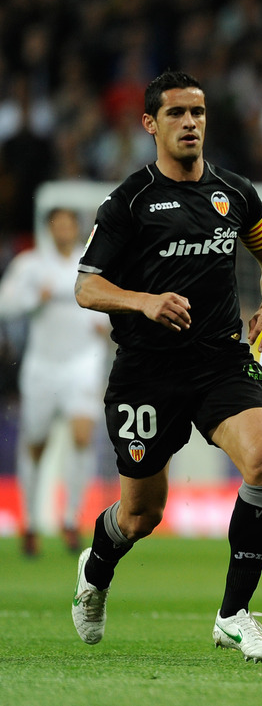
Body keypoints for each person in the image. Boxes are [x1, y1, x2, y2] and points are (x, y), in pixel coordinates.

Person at [71, 71, 262, 664]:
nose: (190, 123)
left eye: (197, 112)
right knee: (142, 515)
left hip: (220, 360)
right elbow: (87, 287)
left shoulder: (234, 193)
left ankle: (234, 615)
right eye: (176, 114)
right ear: (150, 124)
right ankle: (95, 573)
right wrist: (143, 301)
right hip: (147, 372)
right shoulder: (129, 203)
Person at [0, 208, 110, 557]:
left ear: (76, 228)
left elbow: (112, 305)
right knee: (36, 443)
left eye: (68, 223)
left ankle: (71, 520)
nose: (63, 229)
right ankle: (30, 523)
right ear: (50, 229)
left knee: (81, 437)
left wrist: (107, 325)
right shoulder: (31, 265)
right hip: (42, 366)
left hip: (82, 363)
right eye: (57, 224)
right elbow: (5, 305)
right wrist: (35, 298)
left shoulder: (92, 261)